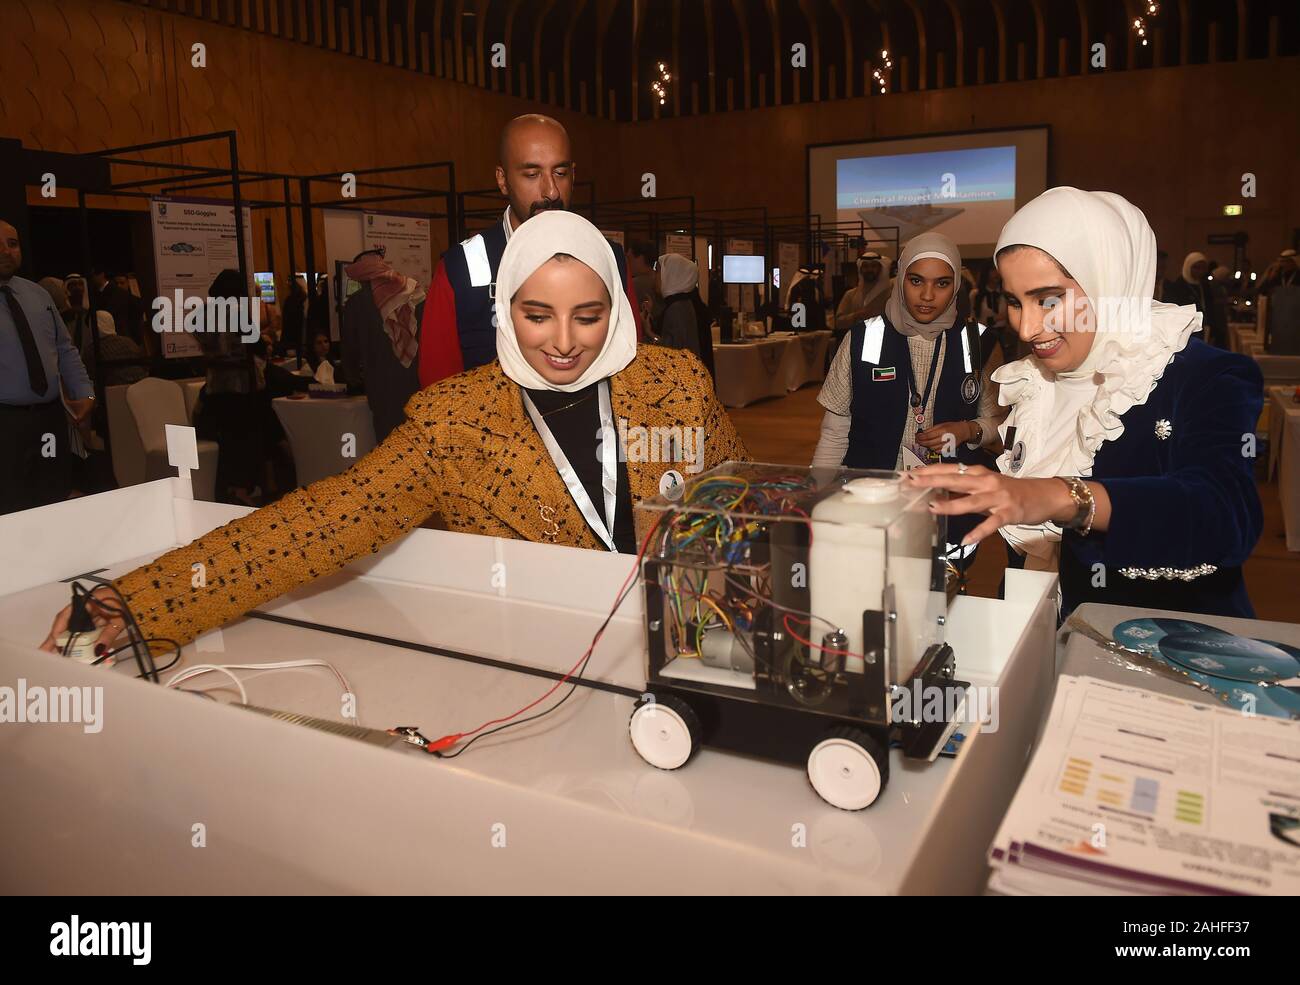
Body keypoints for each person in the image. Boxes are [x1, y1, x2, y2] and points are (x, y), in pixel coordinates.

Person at [41, 211, 748, 651]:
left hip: (683, 648)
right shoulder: (454, 421)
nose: (563, 342)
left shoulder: (675, 383)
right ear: (506, 309)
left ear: (617, 310)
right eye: (538, 314)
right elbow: (323, 520)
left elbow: (743, 504)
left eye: (587, 315)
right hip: (545, 666)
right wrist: (148, 599)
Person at [908, 188, 1262, 620]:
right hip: (1036, 631)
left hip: (1157, 649)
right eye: (1015, 303)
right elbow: (1020, 499)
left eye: (1048, 299)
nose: (1027, 328)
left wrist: (1068, 497)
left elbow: (1226, 517)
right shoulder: (1035, 380)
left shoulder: (1204, 376)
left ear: (1108, 279)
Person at [418, 114, 643, 386]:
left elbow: (632, 372)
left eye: (560, 173)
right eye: (532, 174)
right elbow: (437, 396)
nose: (551, 191)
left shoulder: (610, 259)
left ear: (574, 175)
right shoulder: (461, 269)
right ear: (502, 180)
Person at [0, 220, 95, 514]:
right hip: (5, 423)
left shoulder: (37, 295)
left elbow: (65, 349)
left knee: (53, 498)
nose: (6, 251)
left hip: (49, 418)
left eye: (12, 244)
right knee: (10, 506)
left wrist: (85, 393)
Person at [339, 249, 424, 441]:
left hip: (381, 387)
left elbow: (350, 350)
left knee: (388, 444)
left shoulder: (357, 303)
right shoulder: (411, 292)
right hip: (414, 381)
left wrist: (352, 380)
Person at [652, 253, 715, 380]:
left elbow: (671, 350)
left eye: (658, 272)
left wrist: (650, 334)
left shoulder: (677, 307)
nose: (655, 277)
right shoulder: (685, 302)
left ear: (671, 275)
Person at [1164, 250, 1227, 348]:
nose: (1200, 271)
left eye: (1203, 268)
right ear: (1188, 267)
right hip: (1186, 333)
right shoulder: (1177, 287)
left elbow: (1210, 307)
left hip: (1205, 330)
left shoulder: (1204, 286)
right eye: (1196, 268)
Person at [833, 252, 890, 333]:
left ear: (880, 268)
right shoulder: (850, 295)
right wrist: (856, 315)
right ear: (860, 269)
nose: (869, 269)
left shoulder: (891, 295)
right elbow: (838, 322)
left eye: (873, 266)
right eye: (865, 266)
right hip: (857, 340)